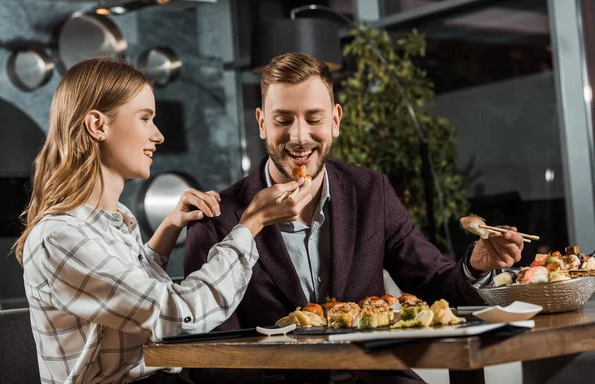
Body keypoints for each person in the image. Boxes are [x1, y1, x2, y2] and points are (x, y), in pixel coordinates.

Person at [183, 52, 524, 384]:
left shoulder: (371, 190)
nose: (299, 136)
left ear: (335, 121)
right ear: (261, 123)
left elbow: (434, 281)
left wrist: (476, 266)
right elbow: (213, 359)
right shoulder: (215, 218)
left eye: (314, 119)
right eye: (283, 120)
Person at [15, 58, 313, 384]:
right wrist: (252, 223)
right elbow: (179, 313)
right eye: (145, 118)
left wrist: (170, 228)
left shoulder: (115, 221)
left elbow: (128, 294)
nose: (158, 136)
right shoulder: (59, 238)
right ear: (98, 126)